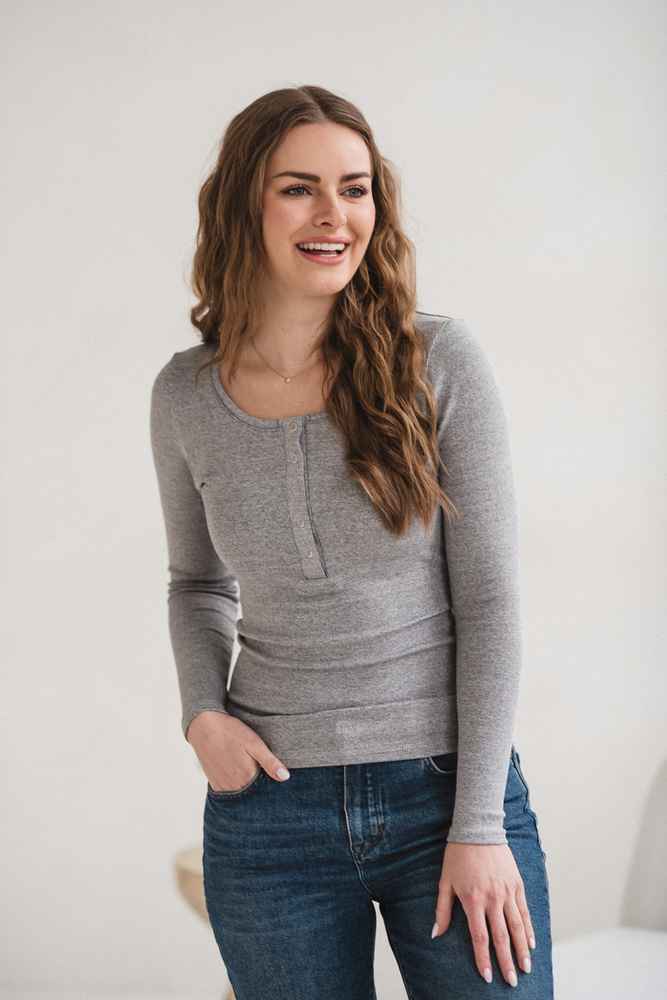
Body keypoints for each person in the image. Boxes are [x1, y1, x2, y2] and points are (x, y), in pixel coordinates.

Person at [150, 84, 554, 1000]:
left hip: (444, 794)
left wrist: (478, 824)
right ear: (243, 205)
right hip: (270, 811)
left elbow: (488, 599)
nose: (334, 214)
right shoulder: (184, 395)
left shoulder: (438, 360)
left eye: (355, 188)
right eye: (299, 188)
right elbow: (196, 583)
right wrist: (201, 714)